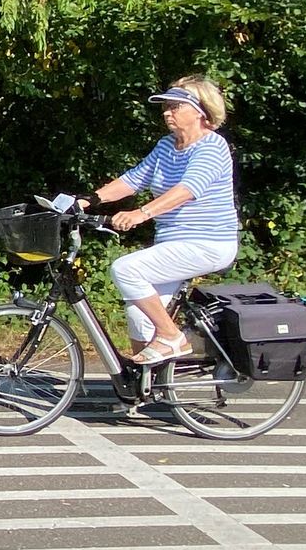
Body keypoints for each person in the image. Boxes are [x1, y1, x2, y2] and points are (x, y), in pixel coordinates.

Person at [79, 75, 238, 366]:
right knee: (139, 315)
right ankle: (144, 383)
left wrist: (141, 213)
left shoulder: (212, 146)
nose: (167, 112)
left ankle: (171, 336)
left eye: (175, 106)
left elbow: (187, 190)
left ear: (200, 111)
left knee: (125, 269)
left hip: (207, 243)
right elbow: (133, 180)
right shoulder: (167, 145)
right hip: (172, 244)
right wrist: (88, 200)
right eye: (165, 107)